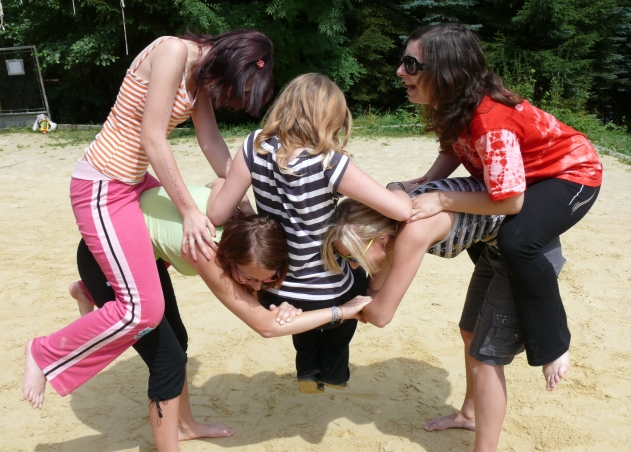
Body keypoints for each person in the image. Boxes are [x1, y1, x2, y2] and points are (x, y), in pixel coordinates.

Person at [23, 31, 274, 411]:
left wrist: (242, 200)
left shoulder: (200, 76)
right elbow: (153, 138)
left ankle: (90, 290)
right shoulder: (172, 51)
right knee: (144, 310)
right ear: (231, 62)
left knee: (167, 246)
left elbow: (210, 141)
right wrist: (189, 210)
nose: (226, 95)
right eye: (234, 88)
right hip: (103, 185)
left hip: (135, 181)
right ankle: (43, 352)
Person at [60, 184, 372, 452]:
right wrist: (341, 311)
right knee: (166, 360)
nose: (256, 287)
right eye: (248, 278)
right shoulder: (208, 252)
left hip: (142, 253)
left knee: (178, 341)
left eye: (267, 279)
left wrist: (284, 301)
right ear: (230, 258)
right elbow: (264, 327)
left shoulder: (244, 226)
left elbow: (219, 180)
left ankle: (186, 425)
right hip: (105, 258)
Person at [396, 23, 603, 391]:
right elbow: (455, 147)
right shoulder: (455, 103)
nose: (400, 71)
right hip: (527, 179)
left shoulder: (490, 120)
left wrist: (440, 198)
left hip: (572, 174)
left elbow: (510, 200)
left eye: (411, 65)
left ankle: (554, 344)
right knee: (491, 241)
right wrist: (424, 182)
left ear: (446, 72)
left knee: (517, 241)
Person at [321, 177, 566, 452]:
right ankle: (470, 415)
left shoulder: (412, 232)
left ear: (382, 238)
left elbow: (381, 315)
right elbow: (375, 292)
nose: (355, 266)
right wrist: (357, 304)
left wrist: (342, 310)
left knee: (486, 358)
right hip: (496, 247)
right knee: (470, 333)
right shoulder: (389, 225)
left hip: (529, 255)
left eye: (354, 257)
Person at [208, 73, 412, 393]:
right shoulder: (329, 162)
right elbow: (400, 211)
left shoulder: (254, 145)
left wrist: (221, 187)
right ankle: (333, 371)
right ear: (331, 117)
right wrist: (398, 188)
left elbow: (217, 213)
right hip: (329, 291)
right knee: (356, 278)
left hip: (277, 288)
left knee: (302, 307)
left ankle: (307, 368)